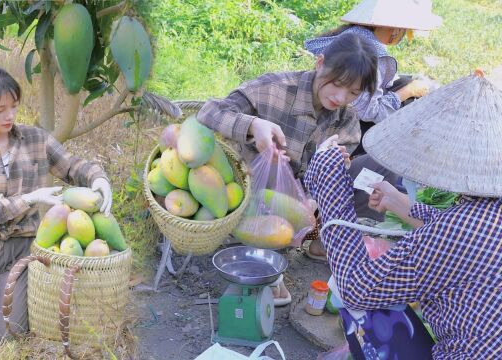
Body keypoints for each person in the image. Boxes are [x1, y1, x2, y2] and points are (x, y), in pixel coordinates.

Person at [304, 72, 502, 358]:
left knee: (368, 304)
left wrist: (332, 183)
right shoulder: (479, 220)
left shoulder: (463, 228)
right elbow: (471, 238)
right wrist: (402, 204)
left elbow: (357, 288)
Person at [196, 32, 378, 301]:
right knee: (273, 170)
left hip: (304, 201)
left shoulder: (346, 119)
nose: (340, 97)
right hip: (250, 192)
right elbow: (209, 112)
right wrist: (253, 125)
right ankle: (266, 264)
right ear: (319, 63)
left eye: (353, 92)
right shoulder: (274, 88)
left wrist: (325, 180)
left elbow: (337, 166)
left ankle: (319, 240)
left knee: (373, 170)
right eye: (337, 84)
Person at [0, 66, 113, 340]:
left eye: (13, 107)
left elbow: (71, 166)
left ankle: (2, 290)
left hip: (23, 248)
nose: (9, 115)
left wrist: (98, 179)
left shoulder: (34, 139)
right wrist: (28, 199)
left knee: (7, 334)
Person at [304, 0, 443, 223]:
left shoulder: (350, 37)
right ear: (395, 29)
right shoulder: (373, 56)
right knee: (390, 149)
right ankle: (356, 217)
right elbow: (369, 110)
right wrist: (408, 91)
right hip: (345, 129)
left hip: (326, 128)